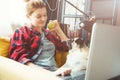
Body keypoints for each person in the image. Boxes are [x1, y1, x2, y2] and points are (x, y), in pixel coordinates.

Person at [9, 0, 71, 76]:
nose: (43, 19)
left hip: (55, 72)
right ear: (28, 17)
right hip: (35, 74)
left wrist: (58, 29)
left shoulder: (49, 34)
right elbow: (20, 59)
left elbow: (67, 47)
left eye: (45, 15)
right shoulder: (21, 32)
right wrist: (50, 74)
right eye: (39, 16)